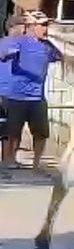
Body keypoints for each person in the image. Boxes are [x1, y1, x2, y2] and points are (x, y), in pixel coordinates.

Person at [0, 10, 62, 173]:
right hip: (15, 96)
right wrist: (7, 54)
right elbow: (3, 53)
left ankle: (36, 164)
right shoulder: (17, 42)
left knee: (41, 133)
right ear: (32, 26)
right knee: (13, 132)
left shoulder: (48, 46)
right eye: (42, 25)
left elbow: (61, 56)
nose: (46, 29)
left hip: (37, 97)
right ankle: (8, 162)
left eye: (47, 25)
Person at [0, 15, 25, 168]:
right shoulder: (5, 43)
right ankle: (6, 159)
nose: (24, 29)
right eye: (23, 26)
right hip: (4, 92)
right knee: (6, 127)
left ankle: (11, 159)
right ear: (13, 27)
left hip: (19, 93)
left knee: (16, 127)